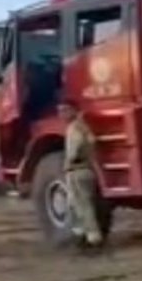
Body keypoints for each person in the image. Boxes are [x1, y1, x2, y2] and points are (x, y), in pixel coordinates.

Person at [59, 102, 104, 248]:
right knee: (81, 205)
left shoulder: (74, 128)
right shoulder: (84, 127)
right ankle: (85, 235)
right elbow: (92, 141)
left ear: (74, 110)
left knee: (82, 206)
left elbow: (75, 147)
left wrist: (71, 158)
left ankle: (92, 237)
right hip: (87, 170)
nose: (62, 114)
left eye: (65, 110)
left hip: (76, 171)